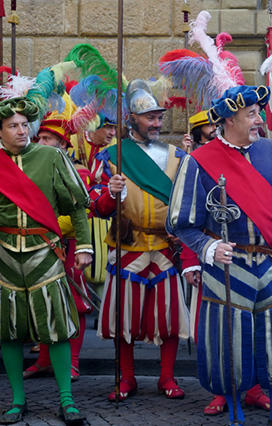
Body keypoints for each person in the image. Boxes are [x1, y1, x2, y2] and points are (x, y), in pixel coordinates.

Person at [168, 84, 272, 425]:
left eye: (259, 113)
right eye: (251, 115)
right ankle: (234, 413)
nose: (259, 120)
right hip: (226, 269)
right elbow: (180, 222)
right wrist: (208, 247)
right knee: (228, 345)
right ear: (229, 119)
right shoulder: (199, 161)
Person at [90, 80, 190, 401]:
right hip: (127, 246)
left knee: (170, 316)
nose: (157, 124)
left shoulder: (177, 156)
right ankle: (127, 378)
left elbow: (186, 203)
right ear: (132, 118)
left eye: (159, 117)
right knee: (125, 317)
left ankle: (167, 378)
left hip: (165, 246)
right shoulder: (111, 156)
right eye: (150, 118)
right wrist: (111, 193)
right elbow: (96, 206)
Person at [0, 82, 91, 425]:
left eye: (25, 125)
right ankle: (17, 400)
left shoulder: (51, 157)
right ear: (1, 131)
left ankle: (67, 400)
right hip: (5, 257)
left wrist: (83, 247)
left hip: (45, 254)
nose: (22, 131)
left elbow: (77, 206)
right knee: (8, 330)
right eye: (13, 126)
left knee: (56, 326)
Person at [23, 107, 95, 384]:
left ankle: (72, 363)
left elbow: (78, 214)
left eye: (46, 139)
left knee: (74, 304)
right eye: (38, 138)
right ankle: (43, 360)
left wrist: (45, 224)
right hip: (41, 245)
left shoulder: (79, 172)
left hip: (67, 246)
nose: (38, 143)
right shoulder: (31, 168)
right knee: (40, 301)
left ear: (63, 143)